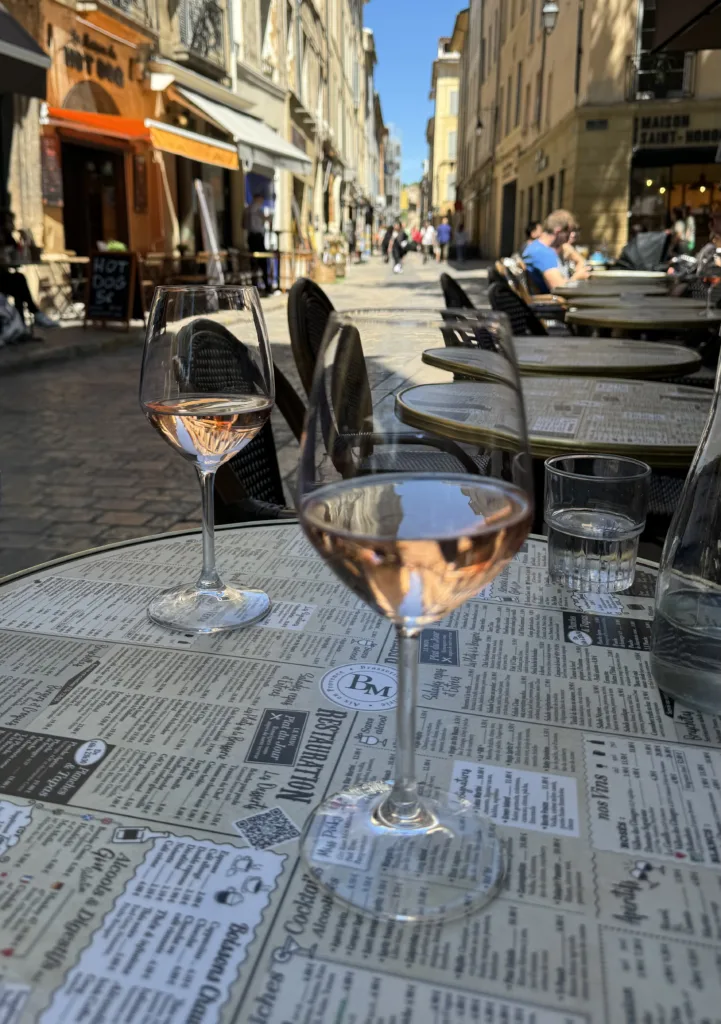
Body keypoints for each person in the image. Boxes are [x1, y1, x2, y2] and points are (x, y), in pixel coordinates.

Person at [0, 209, 56, 329]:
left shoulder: (8, 237)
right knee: (19, 282)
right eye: (9, 222)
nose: (12, 224)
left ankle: (24, 322)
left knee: (19, 282)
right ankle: (34, 314)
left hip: (5, 274)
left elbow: (18, 254)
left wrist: (24, 239)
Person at [521, 208, 590, 293]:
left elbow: (580, 261)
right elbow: (559, 288)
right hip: (550, 303)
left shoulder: (546, 248)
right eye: (568, 233)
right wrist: (577, 277)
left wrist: (571, 252)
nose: (570, 237)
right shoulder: (541, 252)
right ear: (558, 231)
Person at [244, 193, 270, 293]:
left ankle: (254, 286)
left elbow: (243, 225)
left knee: (253, 263)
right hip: (257, 238)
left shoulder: (247, 209)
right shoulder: (257, 209)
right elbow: (263, 220)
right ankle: (266, 286)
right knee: (262, 262)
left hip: (251, 237)